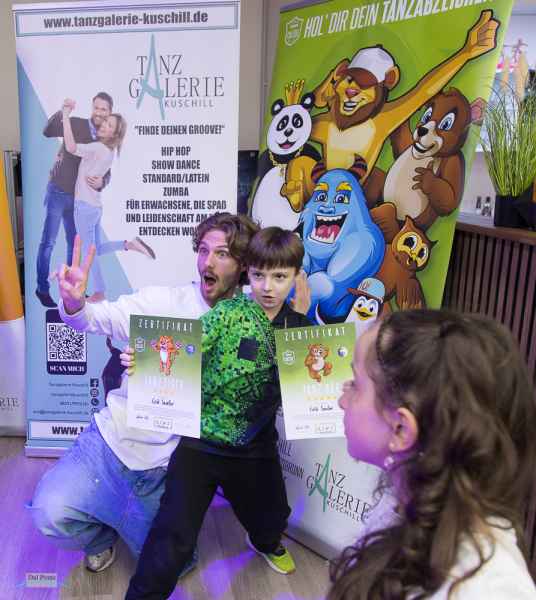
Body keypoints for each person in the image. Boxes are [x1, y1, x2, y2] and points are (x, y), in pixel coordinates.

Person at [30, 214, 310, 574]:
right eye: (203, 250)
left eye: (222, 253)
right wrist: (74, 303)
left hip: (163, 466)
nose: (208, 262)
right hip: (112, 442)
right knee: (48, 514)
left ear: (243, 265)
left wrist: (295, 322)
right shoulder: (164, 301)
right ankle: (100, 537)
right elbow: (96, 319)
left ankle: (126, 518)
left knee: (179, 565)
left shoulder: (254, 316)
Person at [125, 227, 312, 599]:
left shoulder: (299, 328)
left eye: (280, 277)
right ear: (247, 273)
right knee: (172, 534)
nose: (267, 287)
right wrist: (144, 359)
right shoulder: (227, 313)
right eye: (258, 275)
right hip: (202, 441)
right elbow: (186, 346)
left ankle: (265, 540)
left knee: (273, 518)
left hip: (255, 446)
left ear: (296, 277)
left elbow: (308, 388)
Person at [330, 309, 536, 600]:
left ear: (401, 429)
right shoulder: (405, 503)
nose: (342, 400)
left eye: (355, 384)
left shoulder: (486, 589)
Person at [61, 98, 153, 303]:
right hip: (94, 206)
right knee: (96, 248)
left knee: (90, 251)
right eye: (105, 121)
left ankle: (100, 291)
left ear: (114, 134)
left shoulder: (98, 148)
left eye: (109, 125)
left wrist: (65, 116)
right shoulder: (109, 152)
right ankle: (129, 244)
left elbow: (70, 147)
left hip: (84, 207)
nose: (103, 125)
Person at [36, 92, 113, 308]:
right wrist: (63, 113)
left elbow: (106, 169)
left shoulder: (104, 137)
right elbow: (47, 131)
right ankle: (42, 289)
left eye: (104, 109)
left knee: (75, 245)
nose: (99, 112)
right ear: (92, 107)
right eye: (96, 107)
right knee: (48, 241)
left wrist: (103, 181)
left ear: (109, 112)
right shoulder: (76, 123)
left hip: (80, 200)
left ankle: (71, 290)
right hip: (57, 191)